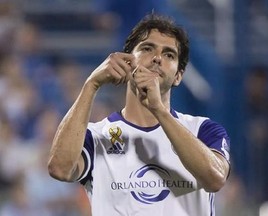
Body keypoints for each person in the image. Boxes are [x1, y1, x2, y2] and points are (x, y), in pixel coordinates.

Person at [48, 13, 231, 216]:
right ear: (127, 61)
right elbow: (59, 169)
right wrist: (91, 85)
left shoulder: (203, 130)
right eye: (147, 48)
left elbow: (215, 179)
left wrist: (159, 110)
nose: (157, 58)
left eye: (169, 54)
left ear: (178, 76)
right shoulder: (96, 137)